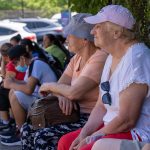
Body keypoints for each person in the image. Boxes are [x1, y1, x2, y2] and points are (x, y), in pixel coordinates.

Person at [58, 4, 150, 150]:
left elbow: (127, 120)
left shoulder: (136, 59)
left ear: (116, 33)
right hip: (111, 126)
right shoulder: (111, 56)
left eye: (98, 26)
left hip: (135, 133)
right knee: (65, 142)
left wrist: (93, 137)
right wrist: (85, 133)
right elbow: (101, 105)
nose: (92, 31)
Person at [20, 13, 108, 150]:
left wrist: (48, 85)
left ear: (84, 40)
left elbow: (73, 92)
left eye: (71, 35)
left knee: (43, 136)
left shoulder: (100, 58)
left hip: (90, 118)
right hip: (72, 114)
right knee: (27, 128)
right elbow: (61, 85)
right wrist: (62, 95)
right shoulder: (77, 58)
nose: (66, 39)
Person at [1, 44, 57, 146]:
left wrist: (11, 83)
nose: (14, 66)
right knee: (13, 91)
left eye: (14, 62)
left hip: (52, 102)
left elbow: (28, 89)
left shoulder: (37, 64)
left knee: (16, 96)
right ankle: (19, 129)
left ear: (22, 58)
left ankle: (23, 136)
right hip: (45, 98)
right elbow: (25, 83)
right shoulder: (31, 65)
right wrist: (13, 80)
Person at [0, 43, 26, 132]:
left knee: (2, 91)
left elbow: (5, 79)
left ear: (5, 56)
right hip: (23, 84)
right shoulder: (18, 61)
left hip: (22, 87)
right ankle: (10, 120)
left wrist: (3, 62)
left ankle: (7, 121)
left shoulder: (12, 64)